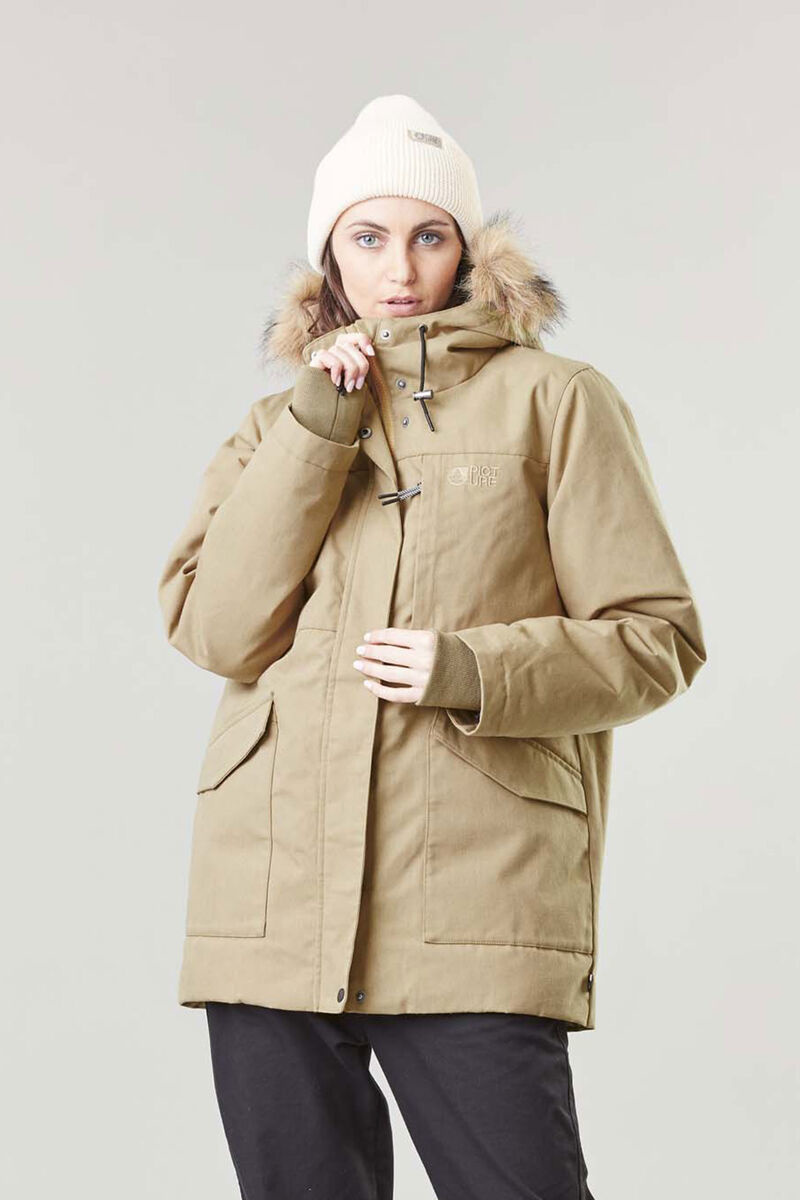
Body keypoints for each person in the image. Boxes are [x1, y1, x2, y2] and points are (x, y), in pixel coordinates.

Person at [157, 94, 707, 1200]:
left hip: (473, 899)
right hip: (270, 900)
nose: (398, 269)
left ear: (467, 250)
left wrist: (473, 669)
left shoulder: (555, 402)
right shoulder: (273, 428)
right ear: (329, 255)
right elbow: (217, 630)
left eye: (428, 235)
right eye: (367, 237)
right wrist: (319, 424)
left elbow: (656, 637)